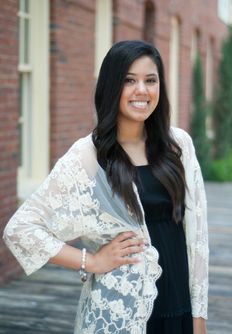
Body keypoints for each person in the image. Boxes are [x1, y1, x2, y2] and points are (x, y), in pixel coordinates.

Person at [3, 40, 208, 334]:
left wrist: (199, 316)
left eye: (151, 80)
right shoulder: (88, 156)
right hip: (121, 311)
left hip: (179, 306)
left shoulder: (178, 145)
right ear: (112, 87)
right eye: (129, 80)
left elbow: (197, 236)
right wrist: (92, 261)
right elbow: (21, 229)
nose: (142, 90)